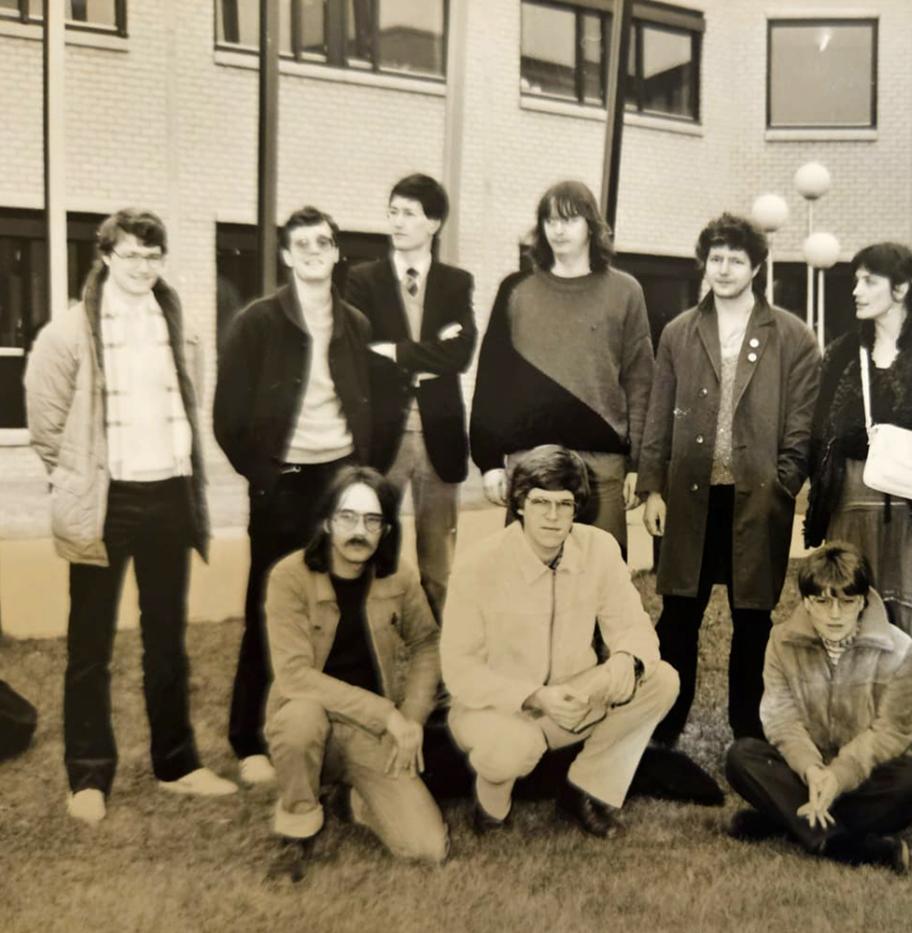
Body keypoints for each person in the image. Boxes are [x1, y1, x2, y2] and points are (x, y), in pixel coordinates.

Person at [24, 208, 237, 823]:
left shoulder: (179, 328)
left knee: (167, 640)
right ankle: (88, 776)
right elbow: (46, 429)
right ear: (107, 257)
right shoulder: (67, 334)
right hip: (106, 504)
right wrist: (80, 483)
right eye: (131, 254)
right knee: (90, 645)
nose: (143, 266)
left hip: (168, 497)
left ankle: (177, 764)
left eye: (153, 255)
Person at [637, 212, 821, 749]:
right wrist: (652, 488)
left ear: (757, 266)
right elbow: (657, 414)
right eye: (715, 258)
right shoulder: (677, 332)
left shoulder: (792, 336)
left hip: (758, 501)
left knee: (752, 618)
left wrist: (782, 482)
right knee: (678, 616)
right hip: (689, 498)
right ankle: (664, 730)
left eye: (735, 259)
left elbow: (802, 425)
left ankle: (749, 731)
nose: (723, 268)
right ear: (704, 263)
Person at [441, 445, 680, 838]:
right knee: (513, 750)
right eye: (540, 503)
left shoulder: (599, 549)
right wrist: (534, 695)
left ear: (577, 507)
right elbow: (459, 671)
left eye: (564, 504)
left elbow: (635, 629)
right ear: (519, 504)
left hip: (575, 700)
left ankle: (585, 788)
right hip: (500, 708)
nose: (552, 517)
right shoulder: (478, 565)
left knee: (661, 680)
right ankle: (491, 808)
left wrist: (624, 661)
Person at [214, 206, 374, 786]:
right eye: (302, 243)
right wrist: (264, 476)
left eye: (324, 242)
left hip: (339, 484)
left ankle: (333, 726)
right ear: (286, 255)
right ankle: (247, 737)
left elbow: (368, 404)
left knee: (341, 606)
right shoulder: (257, 321)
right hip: (281, 483)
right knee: (270, 605)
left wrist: (360, 474)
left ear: (335, 253)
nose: (313, 251)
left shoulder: (354, 322)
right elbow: (226, 417)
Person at [803, 241, 912, 763]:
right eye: (855, 281)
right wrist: (845, 442)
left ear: (902, 288)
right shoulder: (839, 352)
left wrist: (905, 435)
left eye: (869, 281)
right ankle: (861, 727)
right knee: (854, 612)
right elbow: (820, 428)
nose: (855, 291)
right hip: (853, 500)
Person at [263, 466, 446, 868]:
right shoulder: (290, 577)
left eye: (371, 520)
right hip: (313, 717)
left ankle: (354, 797)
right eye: (347, 517)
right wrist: (387, 715)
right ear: (328, 521)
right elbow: (294, 675)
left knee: (427, 848)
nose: (358, 530)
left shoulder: (399, 576)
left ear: (385, 529)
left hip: (372, 731)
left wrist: (411, 717)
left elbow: (427, 643)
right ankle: (298, 825)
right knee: (300, 722)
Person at [725, 542, 912, 874]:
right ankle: (844, 845)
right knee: (741, 756)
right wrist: (812, 770)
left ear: (864, 602)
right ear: (806, 603)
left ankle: (785, 818)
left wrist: (839, 777)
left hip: (862, 776)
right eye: (823, 602)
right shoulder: (780, 641)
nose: (835, 615)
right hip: (804, 772)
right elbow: (781, 720)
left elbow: (891, 732)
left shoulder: (900, 650)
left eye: (847, 602)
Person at [469, 180, 653, 555]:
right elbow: (491, 381)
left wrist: (640, 467)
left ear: (591, 226)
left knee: (602, 581)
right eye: (549, 219)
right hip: (530, 461)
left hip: (603, 464)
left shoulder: (626, 291)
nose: (558, 229)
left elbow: (640, 383)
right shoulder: (515, 290)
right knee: (527, 583)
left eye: (569, 219)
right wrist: (489, 461)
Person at [345, 173, 476, 621]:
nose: (397, 222)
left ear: (434, 223)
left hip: (439, 437)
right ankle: (368, 665)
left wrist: (396, 350)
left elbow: (460, 354)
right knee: (369, 555)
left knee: (439, 568)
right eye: (393, 212)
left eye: (409, 213)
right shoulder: (362, 280)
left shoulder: (456, 283)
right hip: (383, 437)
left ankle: (444, 671)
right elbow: (360, 355)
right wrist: (428, 353)